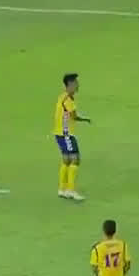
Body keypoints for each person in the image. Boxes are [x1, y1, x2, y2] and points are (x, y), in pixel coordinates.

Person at [53, 73, 91, 201]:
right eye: (75, 83)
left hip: (59, 133)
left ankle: (62, 189)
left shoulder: (62, 97)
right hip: (66, 134)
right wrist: (85, 119)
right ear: (70, 84)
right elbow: (74, 116)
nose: (78, 85)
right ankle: (71, 190)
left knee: (66, 160)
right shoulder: (68, 100)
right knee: (75, 159)